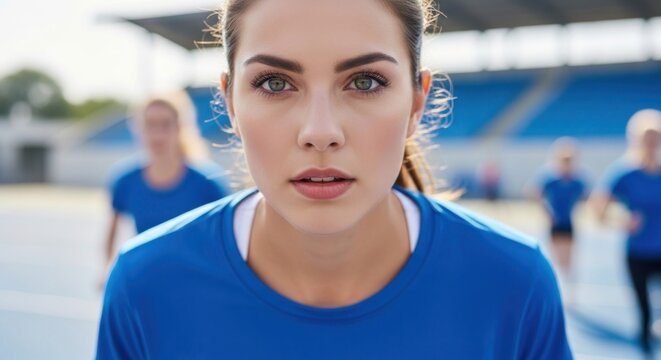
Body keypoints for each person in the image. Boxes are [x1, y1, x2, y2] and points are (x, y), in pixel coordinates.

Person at [96, 0, 572, 358]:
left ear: (416, 101)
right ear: (230, 103)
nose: (320, 132)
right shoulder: (145, 285)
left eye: (365, 81)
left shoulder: (514, 283)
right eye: (275, 83)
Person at [102, 94, 231, 278]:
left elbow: (227, 237)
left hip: (194, 279)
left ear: (180, 128)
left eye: (166, 124)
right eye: (150, 124)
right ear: (138, 128)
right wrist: (109, 271)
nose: (158, 134)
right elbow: (112, 232)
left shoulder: (208, 181)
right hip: (145, 277)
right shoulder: (124, 180)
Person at [590, 109, 661, 356]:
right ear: (636, 139)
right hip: (638, 254)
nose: (652, 143)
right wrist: (621, 220)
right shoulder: (623, 173)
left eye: (656, 137)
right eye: (647, 137)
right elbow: (597, 209)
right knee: (644, 314)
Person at [527, 137, 588, 294]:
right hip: (555, 223)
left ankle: (569, 288)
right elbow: (533, 193)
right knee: (555, 257)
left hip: (568, 222)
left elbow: (585, 196)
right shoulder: (550, 178)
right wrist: (547, 212)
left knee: (569, 257)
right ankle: (557, 287)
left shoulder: (577, 180)